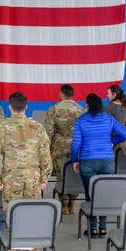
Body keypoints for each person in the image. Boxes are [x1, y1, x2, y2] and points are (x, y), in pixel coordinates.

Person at [0, 92, 52, 251]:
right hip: (33, 180)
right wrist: (44, 179)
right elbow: (46, 156)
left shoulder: (1, 128)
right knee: (33, 218)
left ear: (9, 107)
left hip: (11, 180)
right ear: (26, 106)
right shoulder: (37, 127)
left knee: (13, 218)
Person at [71, 93, 126, 238]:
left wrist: (74, 160)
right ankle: (103, 227)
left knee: (90, 194)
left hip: (87, 160)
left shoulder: (80, 121)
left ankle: (92, 228)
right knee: (104, 192)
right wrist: (112, 141)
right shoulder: (108, 119)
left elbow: (76, 144)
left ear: (87, 105)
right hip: (107, 161)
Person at [44, 84, 84, 215]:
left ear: (62, 94)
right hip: (77, 147)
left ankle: (64, 203)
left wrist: (46, 149)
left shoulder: (54, 109)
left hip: (59, 147)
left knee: (61, 174)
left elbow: (48, 132)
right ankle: (73, 202)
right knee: (75, 172)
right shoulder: (81, 110)